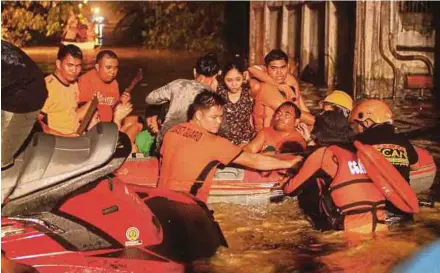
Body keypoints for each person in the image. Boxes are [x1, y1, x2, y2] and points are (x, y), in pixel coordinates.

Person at [158, 90, 303, 203]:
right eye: (214, 117)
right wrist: (289, 162)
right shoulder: (214, 143)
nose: (219, 122)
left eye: (221, 116)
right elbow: (255, 161)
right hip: (188, 204)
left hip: (162, 200)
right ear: (198, 115)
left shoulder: (172, 132)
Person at [283, 111, 387, 233]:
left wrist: (285, 181)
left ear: (319, 133)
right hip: (380, 223)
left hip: (350, 228)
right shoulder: (361, 152)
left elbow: (290, 190)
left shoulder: (322, 155)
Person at [349, 99, 420, 224]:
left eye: (357, 124)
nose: (357, 129)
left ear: (367, 121)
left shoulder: (359, 141)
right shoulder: (402, 140)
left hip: (378, 213)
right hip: (404, 210)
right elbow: (416, 167)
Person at [145, 53, 221, 150]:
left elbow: (150, 98)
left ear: (194, 72)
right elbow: (221, 127)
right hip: (194, 145)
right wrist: (214, 92)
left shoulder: (178, 84)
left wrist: (158, 109)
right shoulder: (211, 96)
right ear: (215, 76)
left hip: (165, 141)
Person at [249, 49, 310, 131]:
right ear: (266, 69)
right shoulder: (265, 87)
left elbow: (303, 109)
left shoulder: (290, 82)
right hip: (266, 137)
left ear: (288, 67)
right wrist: (320, 122)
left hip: (285, 131)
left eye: (283, 67)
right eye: (273, 68)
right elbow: (293, 113)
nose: (279, 73)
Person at [78, 50, 132, 124]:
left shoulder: (114, 83)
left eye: (115, 68)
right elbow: (83, 111)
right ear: (97, 67)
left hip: (109, 125)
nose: (112, 72)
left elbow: (114, 107)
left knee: (136, 121)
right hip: (92, 126)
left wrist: (122, 102)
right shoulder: (85, 80)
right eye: (108, 67)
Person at [217, 56, 255, 145]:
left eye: (238, 79)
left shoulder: (249, 92)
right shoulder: (219, 91)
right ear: (223, 78)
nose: (234, 84)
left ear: (244, 76)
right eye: (229, 80)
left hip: (245, 140)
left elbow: (256, 73)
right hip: (223, 141)